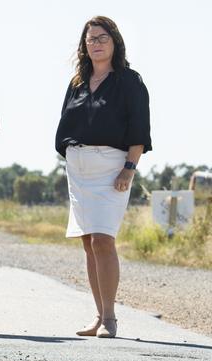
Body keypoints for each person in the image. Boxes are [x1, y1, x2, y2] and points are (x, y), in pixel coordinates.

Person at [55, 16, 152, 338]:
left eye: (102, 38)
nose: (95, 43)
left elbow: (139, 128)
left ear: (114, 43)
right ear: (84, 45)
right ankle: (98, 315)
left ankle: (110, 319)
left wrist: (130, 168)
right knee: (87, 242)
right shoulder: (77, 82)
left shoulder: (129, 81)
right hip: (78, 168)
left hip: (112, 167)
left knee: (103, 239)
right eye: (90, 39)